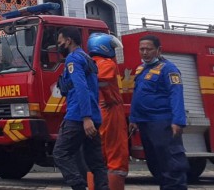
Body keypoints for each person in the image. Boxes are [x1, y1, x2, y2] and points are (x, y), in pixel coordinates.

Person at [52, 27, 109, 190]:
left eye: (60, 42)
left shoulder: (73, 59)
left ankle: (79, 186)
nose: (59, 46)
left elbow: (81, 87)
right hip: (93, 115)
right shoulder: (87, 58)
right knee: (96, 162)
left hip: (78, 117)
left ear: (68, 41)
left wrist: (85, 118)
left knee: (60, 153)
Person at [129, 34, 188, 190]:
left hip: (162, 123)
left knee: (171, 163)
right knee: (155, 163)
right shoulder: (141, 69)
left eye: (149, 49)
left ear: (158, 50)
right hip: (144, 122)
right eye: (141, 49)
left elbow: (176, 95)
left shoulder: (169, 69)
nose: (144, 52)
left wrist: (178, 121)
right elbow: (137, 94)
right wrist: (133, 118)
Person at [86, 33, 129, 190]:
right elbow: (102, 81)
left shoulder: (87, 63)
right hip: (110, 113)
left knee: (96, 158)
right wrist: (111, 98)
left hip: (94, 113)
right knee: (116, 157)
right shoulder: (106, 63)